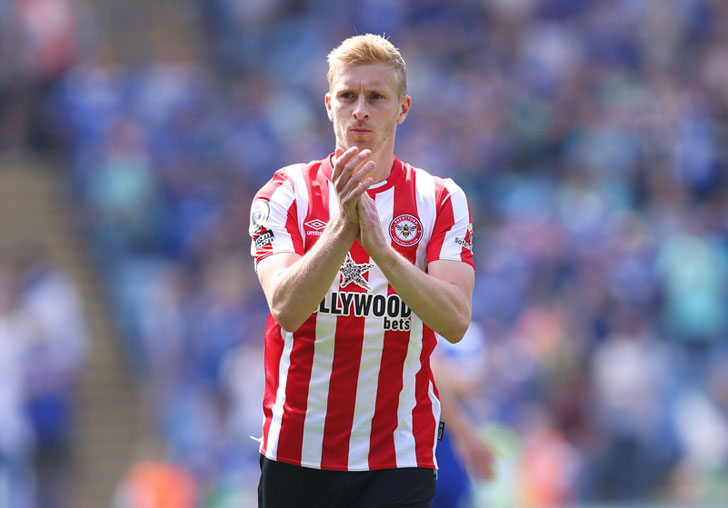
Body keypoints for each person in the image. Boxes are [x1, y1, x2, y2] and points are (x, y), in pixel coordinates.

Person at [249, 33, 476, 508]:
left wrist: (384, 252)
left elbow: (454, 319)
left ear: (403, 108)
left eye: (376, 97)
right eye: (348, 96)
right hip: (298, 449)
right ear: (328, 104)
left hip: (398, 455)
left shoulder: (439, 200)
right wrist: (340, 230)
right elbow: (287, 308)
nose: (360, 110)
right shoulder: (284, 193)